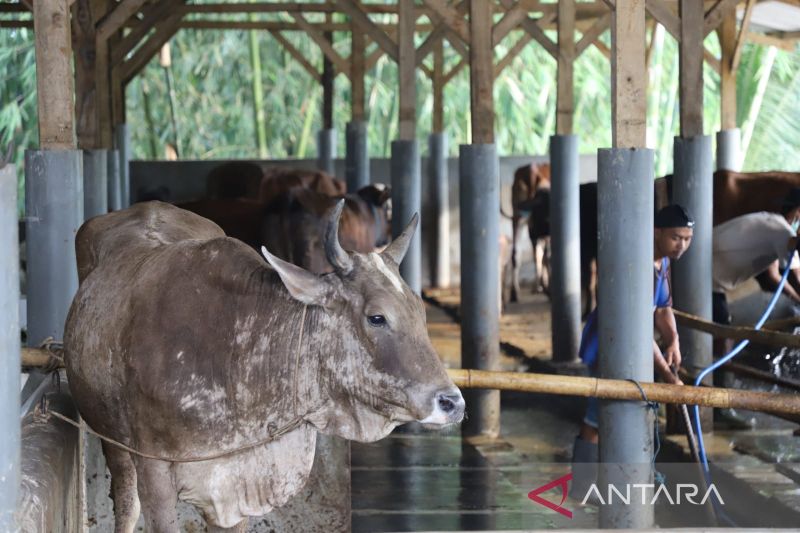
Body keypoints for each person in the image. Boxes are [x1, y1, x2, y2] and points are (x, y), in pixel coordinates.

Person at [571, 204, 693, 497]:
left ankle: (621, 486)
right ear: (657, 232)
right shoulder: (637, 264)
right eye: (677, 237)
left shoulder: (662, 262)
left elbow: (662, 308)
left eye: (688, 239)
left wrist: (673, 339)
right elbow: (637, 325)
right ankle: (580, 488)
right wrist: (666, 373)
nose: (683, 245)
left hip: (636, 347)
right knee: (597, 417)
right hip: (609, 345)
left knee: (629, 411)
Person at [712, 188, 800, 328]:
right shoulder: (784, 233)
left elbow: (774, 275)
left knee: (720, 327)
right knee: (723, 330)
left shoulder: (773, 222)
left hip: (709, 271)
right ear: (798, 211)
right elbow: (797, 278)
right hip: (708, 276)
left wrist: (796, 299)